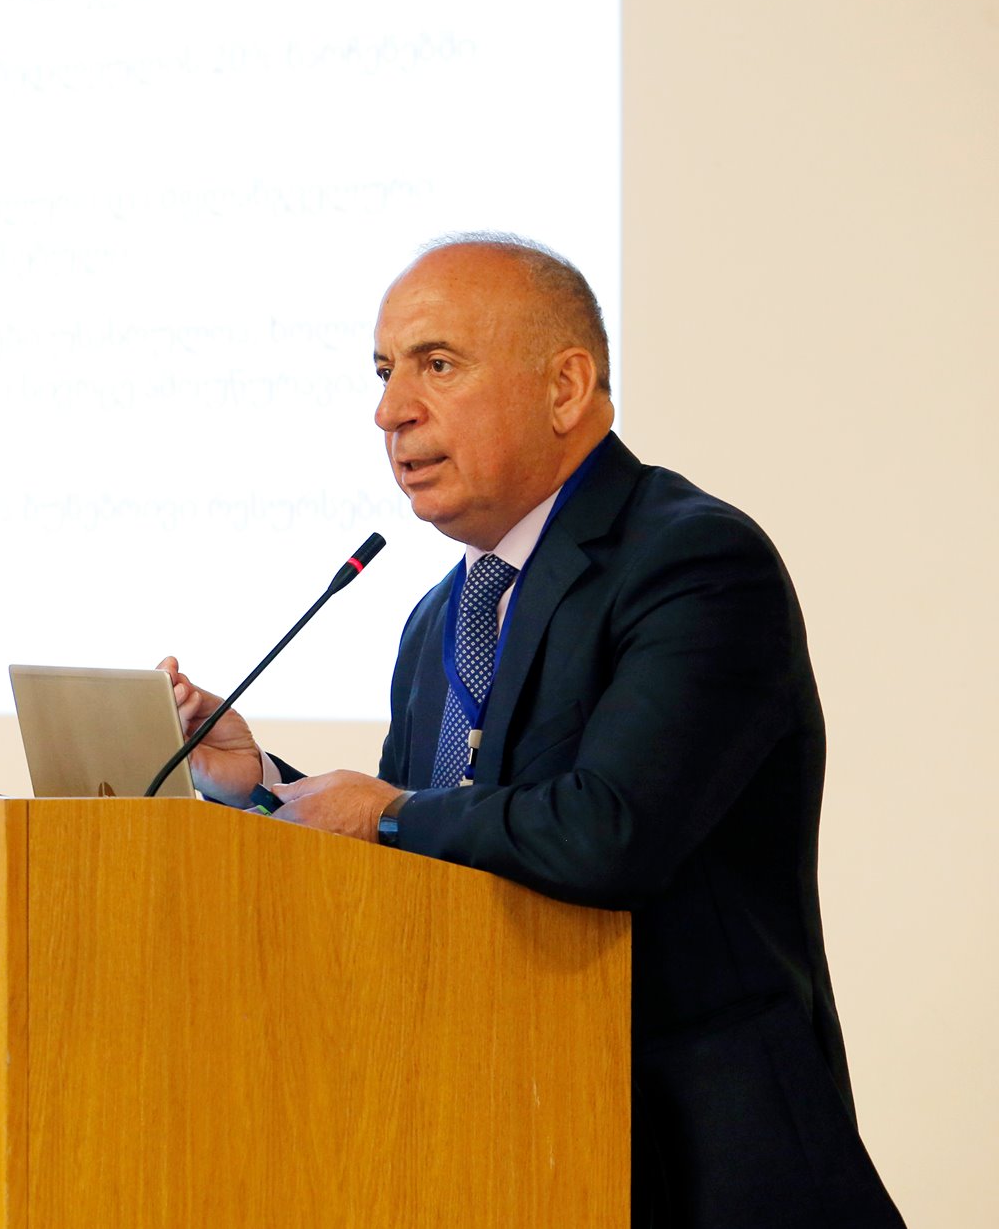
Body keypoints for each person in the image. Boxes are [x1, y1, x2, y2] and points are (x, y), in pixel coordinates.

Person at [161, 235, 902, 1229]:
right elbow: (413, 869)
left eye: (436, 364)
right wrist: (261, 781)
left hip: (697, 1165)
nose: (390, 411)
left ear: (564, 387)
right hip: (492, 1146)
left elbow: (609, 833)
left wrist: (383, 814)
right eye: (383, 373)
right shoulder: (439, 615)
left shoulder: (693, 563)